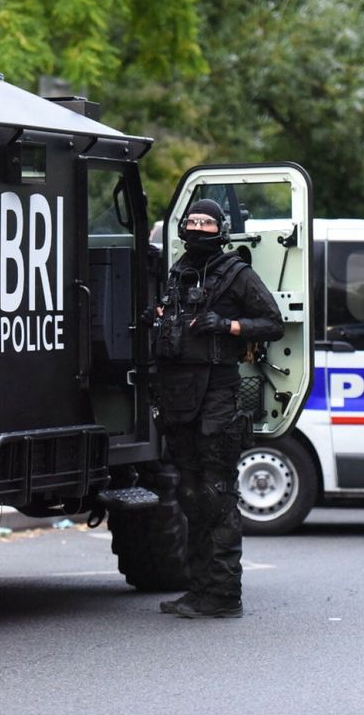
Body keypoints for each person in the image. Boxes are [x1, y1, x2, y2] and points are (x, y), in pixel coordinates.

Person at [152, 198, 283, 618]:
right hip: (178, 395)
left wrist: (228, 326)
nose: (197, 227)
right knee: (190, 494)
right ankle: (198, 590)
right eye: (191, 221)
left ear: (221, 230)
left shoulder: (237, 274)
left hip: (217, 394)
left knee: (217, 492)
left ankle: (225, 596)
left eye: (206, 222)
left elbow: (273, 322)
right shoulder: (177, 273)